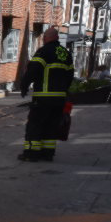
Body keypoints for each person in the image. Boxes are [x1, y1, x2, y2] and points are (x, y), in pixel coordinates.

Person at [18, 27, 73, 162]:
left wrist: (24, 86)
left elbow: (33, 70)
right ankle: (47, 153)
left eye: (43, 38)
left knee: (35, 124)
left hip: (44, 97)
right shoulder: (65, 53)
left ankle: (31, 153)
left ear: (47, 38)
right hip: (60, 98)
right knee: (51, 125)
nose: (43, 40)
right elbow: (70, 75)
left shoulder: (44, 52)